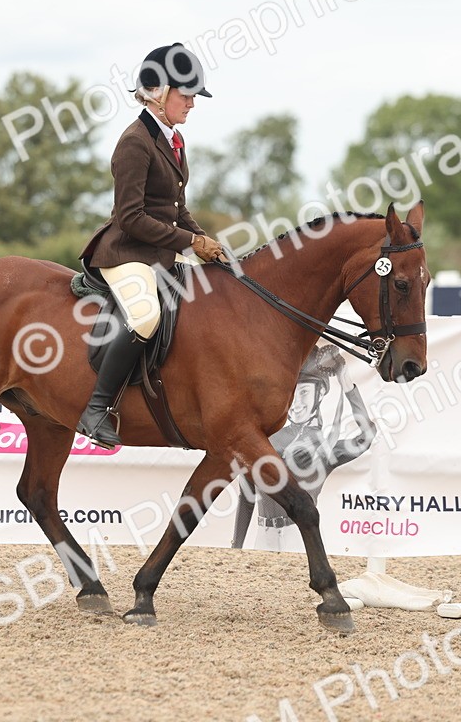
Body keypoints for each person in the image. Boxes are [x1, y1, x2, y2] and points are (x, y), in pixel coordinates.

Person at [77, 43, 226, 448]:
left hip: (158, 253)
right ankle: (97, 409)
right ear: (157, 92)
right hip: (125, 252)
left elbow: (176, 209)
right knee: (145, 317)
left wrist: (205, 242)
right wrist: (190, 241)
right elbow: (131, 217)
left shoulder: (173, 140)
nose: (193, 103)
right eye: (187, 94)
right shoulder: (135, 142)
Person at [231, 344, 378, 551]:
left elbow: (366, 437)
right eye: (291, 393)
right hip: (263, 536)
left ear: (319, 395)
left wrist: (346, 382)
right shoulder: (265, 438)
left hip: (300, 537)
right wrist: (236, 546)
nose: (296, 403)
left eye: (304, 392)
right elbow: (246, 496)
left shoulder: (325, 445)